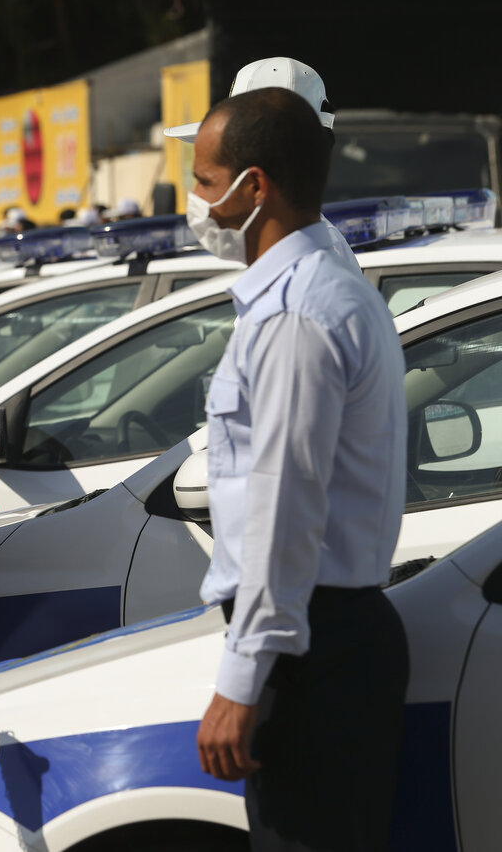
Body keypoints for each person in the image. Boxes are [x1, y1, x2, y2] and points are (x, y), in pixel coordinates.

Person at [188, 88, 408, 851]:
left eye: (207, 183)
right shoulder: (323, 292)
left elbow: (285, 503)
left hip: (308, 649)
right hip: (321, 637)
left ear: (256, 188)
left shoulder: (296, 314)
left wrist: (243, 679)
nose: (197, 205)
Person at [164, 56, 361, 276]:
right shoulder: (304, 263)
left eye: (206, 181)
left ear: (255, 184)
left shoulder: (305, 282)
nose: (196, 195)